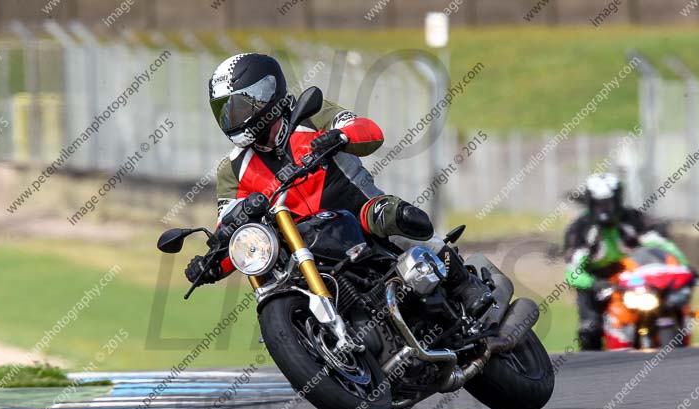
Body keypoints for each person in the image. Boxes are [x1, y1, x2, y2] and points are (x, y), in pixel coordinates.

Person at [185, 53, 491, 316]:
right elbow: (232, 228)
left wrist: (340, 136)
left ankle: (464, 284)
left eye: (236, 107)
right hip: (307, 245)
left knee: (397, 216)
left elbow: (368, 131)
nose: (230, 118)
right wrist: (211, 265)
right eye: (223, 111)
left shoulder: (309, 113)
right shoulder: (232, 169)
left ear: (262, 97)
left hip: (360, 212)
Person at [563, 172, 690, 350]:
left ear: (618, 201)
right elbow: (572, 272)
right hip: (597, 280)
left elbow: (663, 244)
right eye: (599, 205)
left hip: (633, 273)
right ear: (591, 204)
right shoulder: (580, 230)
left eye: (608, 203)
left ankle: (679, 335)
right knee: (590, 329)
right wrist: (594, 284)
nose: (604, 209)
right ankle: (595, 361)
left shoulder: (634, 219)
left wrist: (684, 267)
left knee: (671, 299)